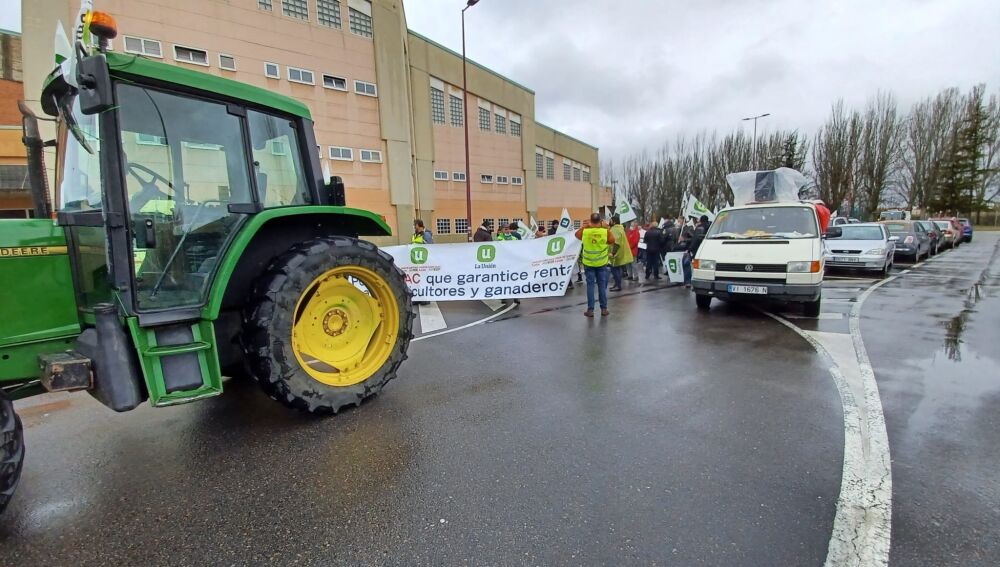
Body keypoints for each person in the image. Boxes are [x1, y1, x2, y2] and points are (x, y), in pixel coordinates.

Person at [574, 213, 614, 317]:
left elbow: (576, 235)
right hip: (601, 263)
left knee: (590, 286)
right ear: (600, 221)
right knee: (601, 286)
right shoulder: (605, 231)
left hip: (589, 263)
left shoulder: (585, 231)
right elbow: (612, 241)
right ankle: (604, 309)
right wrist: (607, 228)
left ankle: (590, 310)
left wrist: (585, 226)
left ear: (590, 221)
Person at [608, 216, 633, 291]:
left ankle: (618, 286)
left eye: (610, 220)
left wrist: (613, 253)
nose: (609, 221)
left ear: (614, 222)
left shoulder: (615, 229)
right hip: (619, 253)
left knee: (615, 270)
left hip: (616, 254)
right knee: (616, 270)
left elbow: (616, 242)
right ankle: (616, 284)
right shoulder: (619, 228)